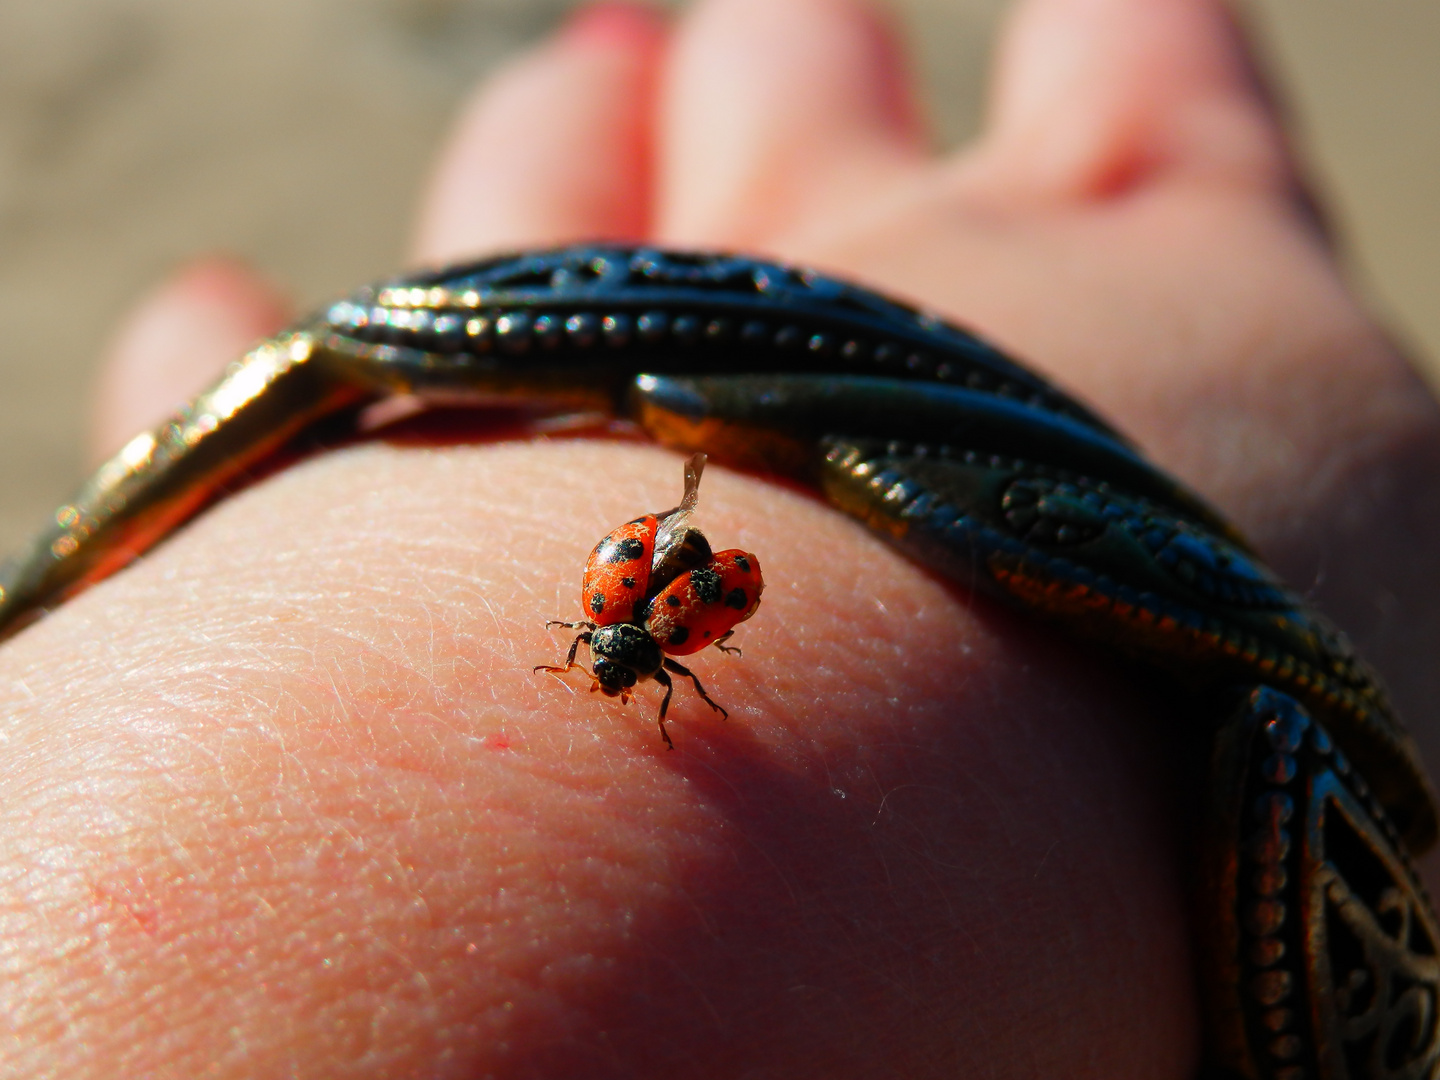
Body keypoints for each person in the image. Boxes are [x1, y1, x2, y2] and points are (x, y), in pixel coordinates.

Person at [8, 0, 1440, 1075]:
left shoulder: (649, 623)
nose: (626, 665)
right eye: (626, 659)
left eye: (619, 658)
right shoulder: (656, 627)